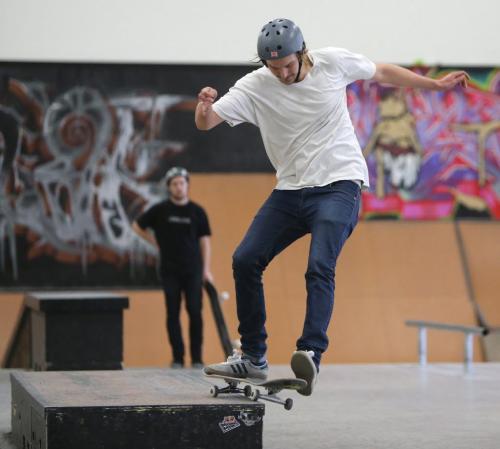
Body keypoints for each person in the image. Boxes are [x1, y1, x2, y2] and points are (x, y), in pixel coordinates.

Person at [195, 18, 469, 395]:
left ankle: (310, 352)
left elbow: (382, 71)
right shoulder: (256, 85)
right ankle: (254, 357)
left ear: (303, 51)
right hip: (290, 191)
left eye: (288, 65)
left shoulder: (333, 62)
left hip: (339, 185)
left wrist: (434, 84)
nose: (283, 74)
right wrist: (204, 107)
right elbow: (208, 123)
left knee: (320, 265)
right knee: (245, 259)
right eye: (274, 68)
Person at [132, 167, 212, 369]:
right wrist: (154, 242)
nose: (179, 187)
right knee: (172, 313)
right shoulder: (160, 210)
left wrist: (206, 270)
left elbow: (205, 242)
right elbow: (137, 226)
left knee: (195, 311)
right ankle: (177, 357)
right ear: (169, 187)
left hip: (193, 270)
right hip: (170, 270)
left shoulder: (197, 211)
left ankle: (196, 359)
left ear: (187, 185)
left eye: (182, 183)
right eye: (174, 184)